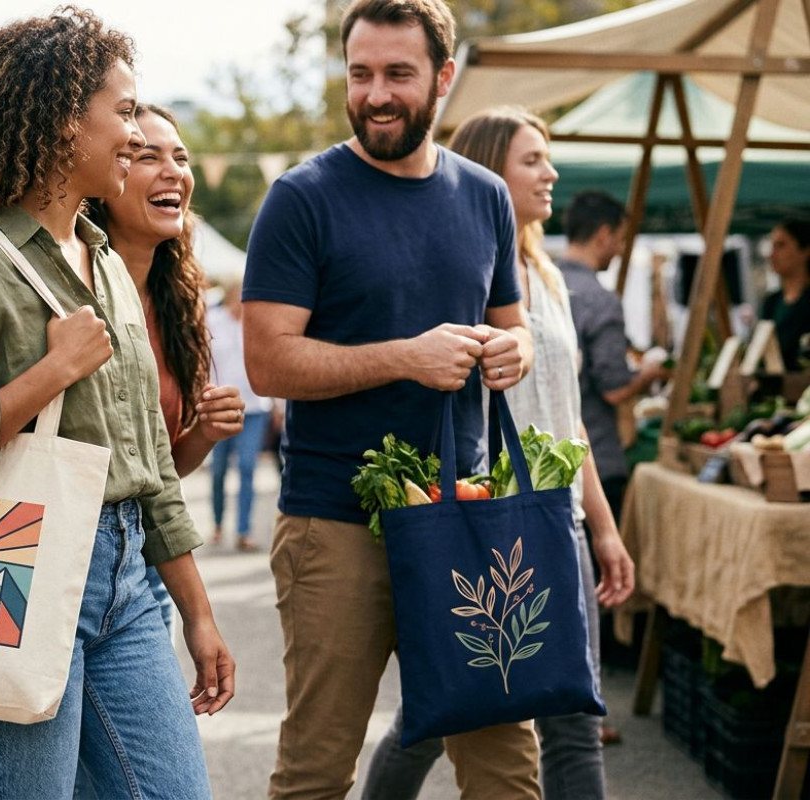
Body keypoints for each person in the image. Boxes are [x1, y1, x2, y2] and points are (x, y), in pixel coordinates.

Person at [0, 10, 233, 798]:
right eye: (121, 113)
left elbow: (148, 462)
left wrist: (199, 613)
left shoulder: (108, 259)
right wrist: (51, 373)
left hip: (125, 583)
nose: (133, 135)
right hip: (10, 571)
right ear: (59, 119)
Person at [241, 1, 540, 796]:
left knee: (506, 763)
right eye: (360, 73)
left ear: (444, 78)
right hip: (334, 522)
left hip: (466, 516)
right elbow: (268, 363)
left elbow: (517, 328)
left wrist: (515, 349)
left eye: (398, 75)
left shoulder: (485, 197)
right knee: (316, 771)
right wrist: (405, 358)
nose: (376, 93)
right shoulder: (301, 198)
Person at [362, 108, 638, 800]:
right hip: (488, 520)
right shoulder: (460, 268)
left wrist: (602, 529)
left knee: (575, 711)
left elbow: (567, 419)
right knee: (442, 710)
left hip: (558, 514)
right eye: (533, 160)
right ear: (488, 171)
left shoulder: (547, 276)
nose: (551, 174)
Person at [85, 102, 249, 629]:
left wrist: (204, 432)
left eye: (180, 156)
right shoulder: (65, 291)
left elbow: (158, 470)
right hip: (52, 556)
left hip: (144, 561)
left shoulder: (180, 304)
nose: (173, 170)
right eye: (147, 155)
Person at [557, 190, 668, 523]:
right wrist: (649, 373)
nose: (620, 250)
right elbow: (614, 389)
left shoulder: (542, 285)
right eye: (620, 240)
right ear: (603, 234)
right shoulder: (600, 300)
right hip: (598, 458)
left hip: (550, 457)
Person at [206, 283, 272, 551]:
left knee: (247, 467)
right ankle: (219, 523)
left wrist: (277, 405)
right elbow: (202, 363)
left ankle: (244, 530)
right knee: (219, 469)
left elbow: (269, 362)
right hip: (220, 406)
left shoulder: (258, 324)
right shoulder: (212, 321)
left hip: (254, 407)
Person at [760, 217, 810, 371]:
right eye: (772, 246)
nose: (772, 254)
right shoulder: (771, 302)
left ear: (805, 251)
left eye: (781, 245)